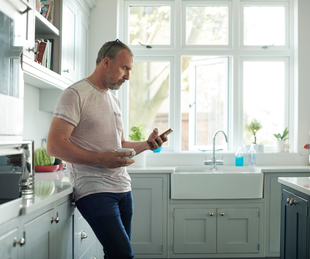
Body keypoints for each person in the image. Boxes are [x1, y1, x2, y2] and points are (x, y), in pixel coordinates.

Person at [46, 39, 168, 259]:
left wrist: (146, 145)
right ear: (106, 62)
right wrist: (102, 160)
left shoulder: (114, 101)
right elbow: (54, 145)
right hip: (93, 189)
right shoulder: (75, 94)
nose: (128, 77)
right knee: (123, 254)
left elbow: (119, 145)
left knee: (116, 255)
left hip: (123, 187)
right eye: (125, 68)